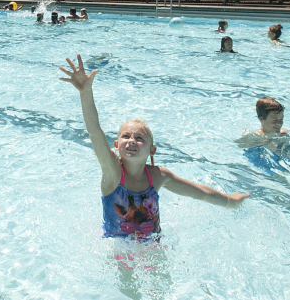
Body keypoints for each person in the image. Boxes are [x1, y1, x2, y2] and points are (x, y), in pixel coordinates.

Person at [60, 55, 249, 238]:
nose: (132, 140)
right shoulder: (113, 172)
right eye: (126, 136)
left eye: (139, 138)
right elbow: (94, 130)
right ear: (116, 145)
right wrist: (85, 93)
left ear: (152, 150)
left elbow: (200, 193)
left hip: (153, 246)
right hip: (118, 249)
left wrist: (230, 202)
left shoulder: (158, 176)